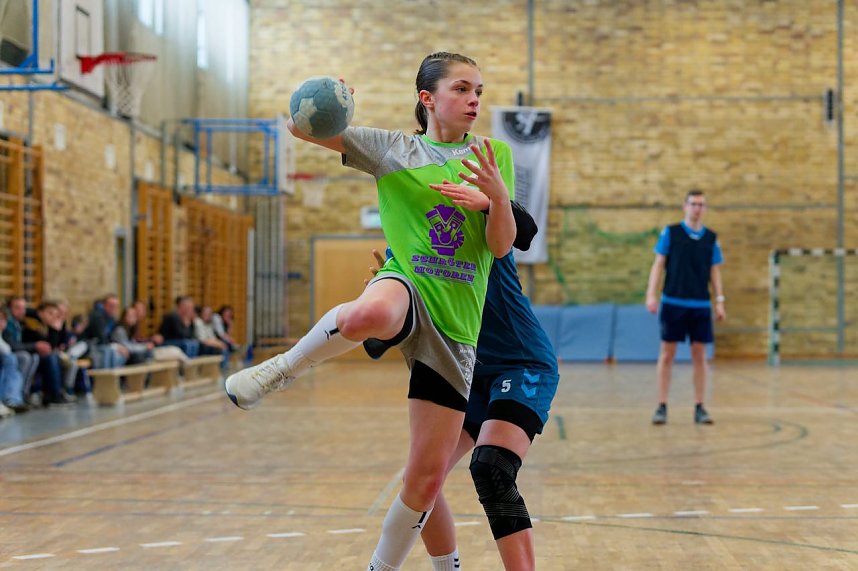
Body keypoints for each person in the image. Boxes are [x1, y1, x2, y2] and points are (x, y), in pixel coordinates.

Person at [225, 51, 516, 571]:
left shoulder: (493, 157)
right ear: (427, 98)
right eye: (462, 89)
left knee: (424, 481)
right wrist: (331, 99)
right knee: (365, 315)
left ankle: (392, 566)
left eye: (479, 91)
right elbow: (301, 129)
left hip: (457, 326)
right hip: (406, 283)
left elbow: (499, 248)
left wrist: (496, 200)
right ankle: (282, 369)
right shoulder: (391, 149)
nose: (474, 99)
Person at [365, 198, 558, 571]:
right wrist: (380, 313)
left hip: (520, 363)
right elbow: (377, 344)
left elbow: (528, 231)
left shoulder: (477, 206)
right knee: (421, 478)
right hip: (465, 371)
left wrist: (491, 199)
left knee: (492, 468)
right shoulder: (405, 248)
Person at [645, 189, 726, 425]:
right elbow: (658, 264)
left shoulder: (711, 238)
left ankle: (700, 406)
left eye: (701, 204)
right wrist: (651, 294)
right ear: (685, 206)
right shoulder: (671, 233)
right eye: (693, 204)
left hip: (700, 304)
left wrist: (720, 300)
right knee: (667, 354)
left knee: (700, 356)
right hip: (673, 302)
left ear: (705, 208)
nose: (697, 208)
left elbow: (715, 270)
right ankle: (662, 406)